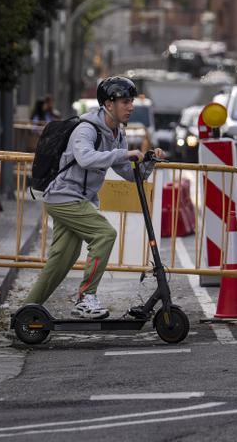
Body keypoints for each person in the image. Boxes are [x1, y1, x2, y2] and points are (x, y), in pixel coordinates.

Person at [24, 76, 164, 319]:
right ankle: (86, 298)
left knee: (61, 259)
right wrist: (123, 153)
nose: (130, 107)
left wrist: (149, 162)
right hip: (63, 196)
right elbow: (86, 158)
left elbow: (130, 175)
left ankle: (26, 311)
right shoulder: (86, 129)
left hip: (79, 199)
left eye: (131, 102)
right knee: (104, 234)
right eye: (125, 102)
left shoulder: (116, 132)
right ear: (109, 105)